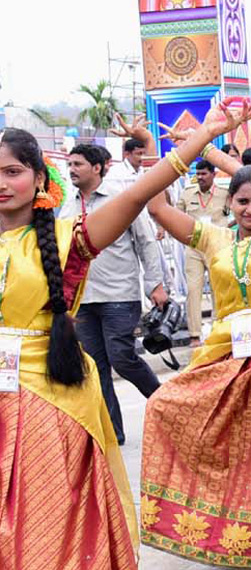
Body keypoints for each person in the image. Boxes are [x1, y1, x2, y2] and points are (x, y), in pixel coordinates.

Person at [0, 105, 251, 570]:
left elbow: (143, 191)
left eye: (11, 170)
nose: (1, 181)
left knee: (32, 538)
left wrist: (205, 136)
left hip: (48, 406)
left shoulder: (68, 238)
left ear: (39, 177)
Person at [140, 149, 251, 568]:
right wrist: (183, 150)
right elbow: (155, 204)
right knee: (168, 407)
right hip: (227, 347)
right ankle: (235, 537)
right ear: (230, 202)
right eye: (243, 201)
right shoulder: (211, 237)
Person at [64, 143, 168, 445]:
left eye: (78, 164)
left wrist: (155, 284)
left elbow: (146, 242)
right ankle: (112, 431)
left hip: (119, 294)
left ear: (97, 168)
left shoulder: (122, 200)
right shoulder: (67, 206)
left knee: (121, 357)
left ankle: (166, 404)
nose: (72, 170)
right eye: (70, 165)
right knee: (95, 368)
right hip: (84, 299)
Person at [178, 157, 230, 343]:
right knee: (193, 289)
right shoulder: (187, 193)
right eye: (197, 174)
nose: (199, 177)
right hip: (194, 246)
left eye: (203, 174)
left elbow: (237, 210)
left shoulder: (224, 194)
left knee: (219, 289)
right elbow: (176, 215)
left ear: (213, 175)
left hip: (217, 246)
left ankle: (218, 330)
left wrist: (225, 228)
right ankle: (194, 334)